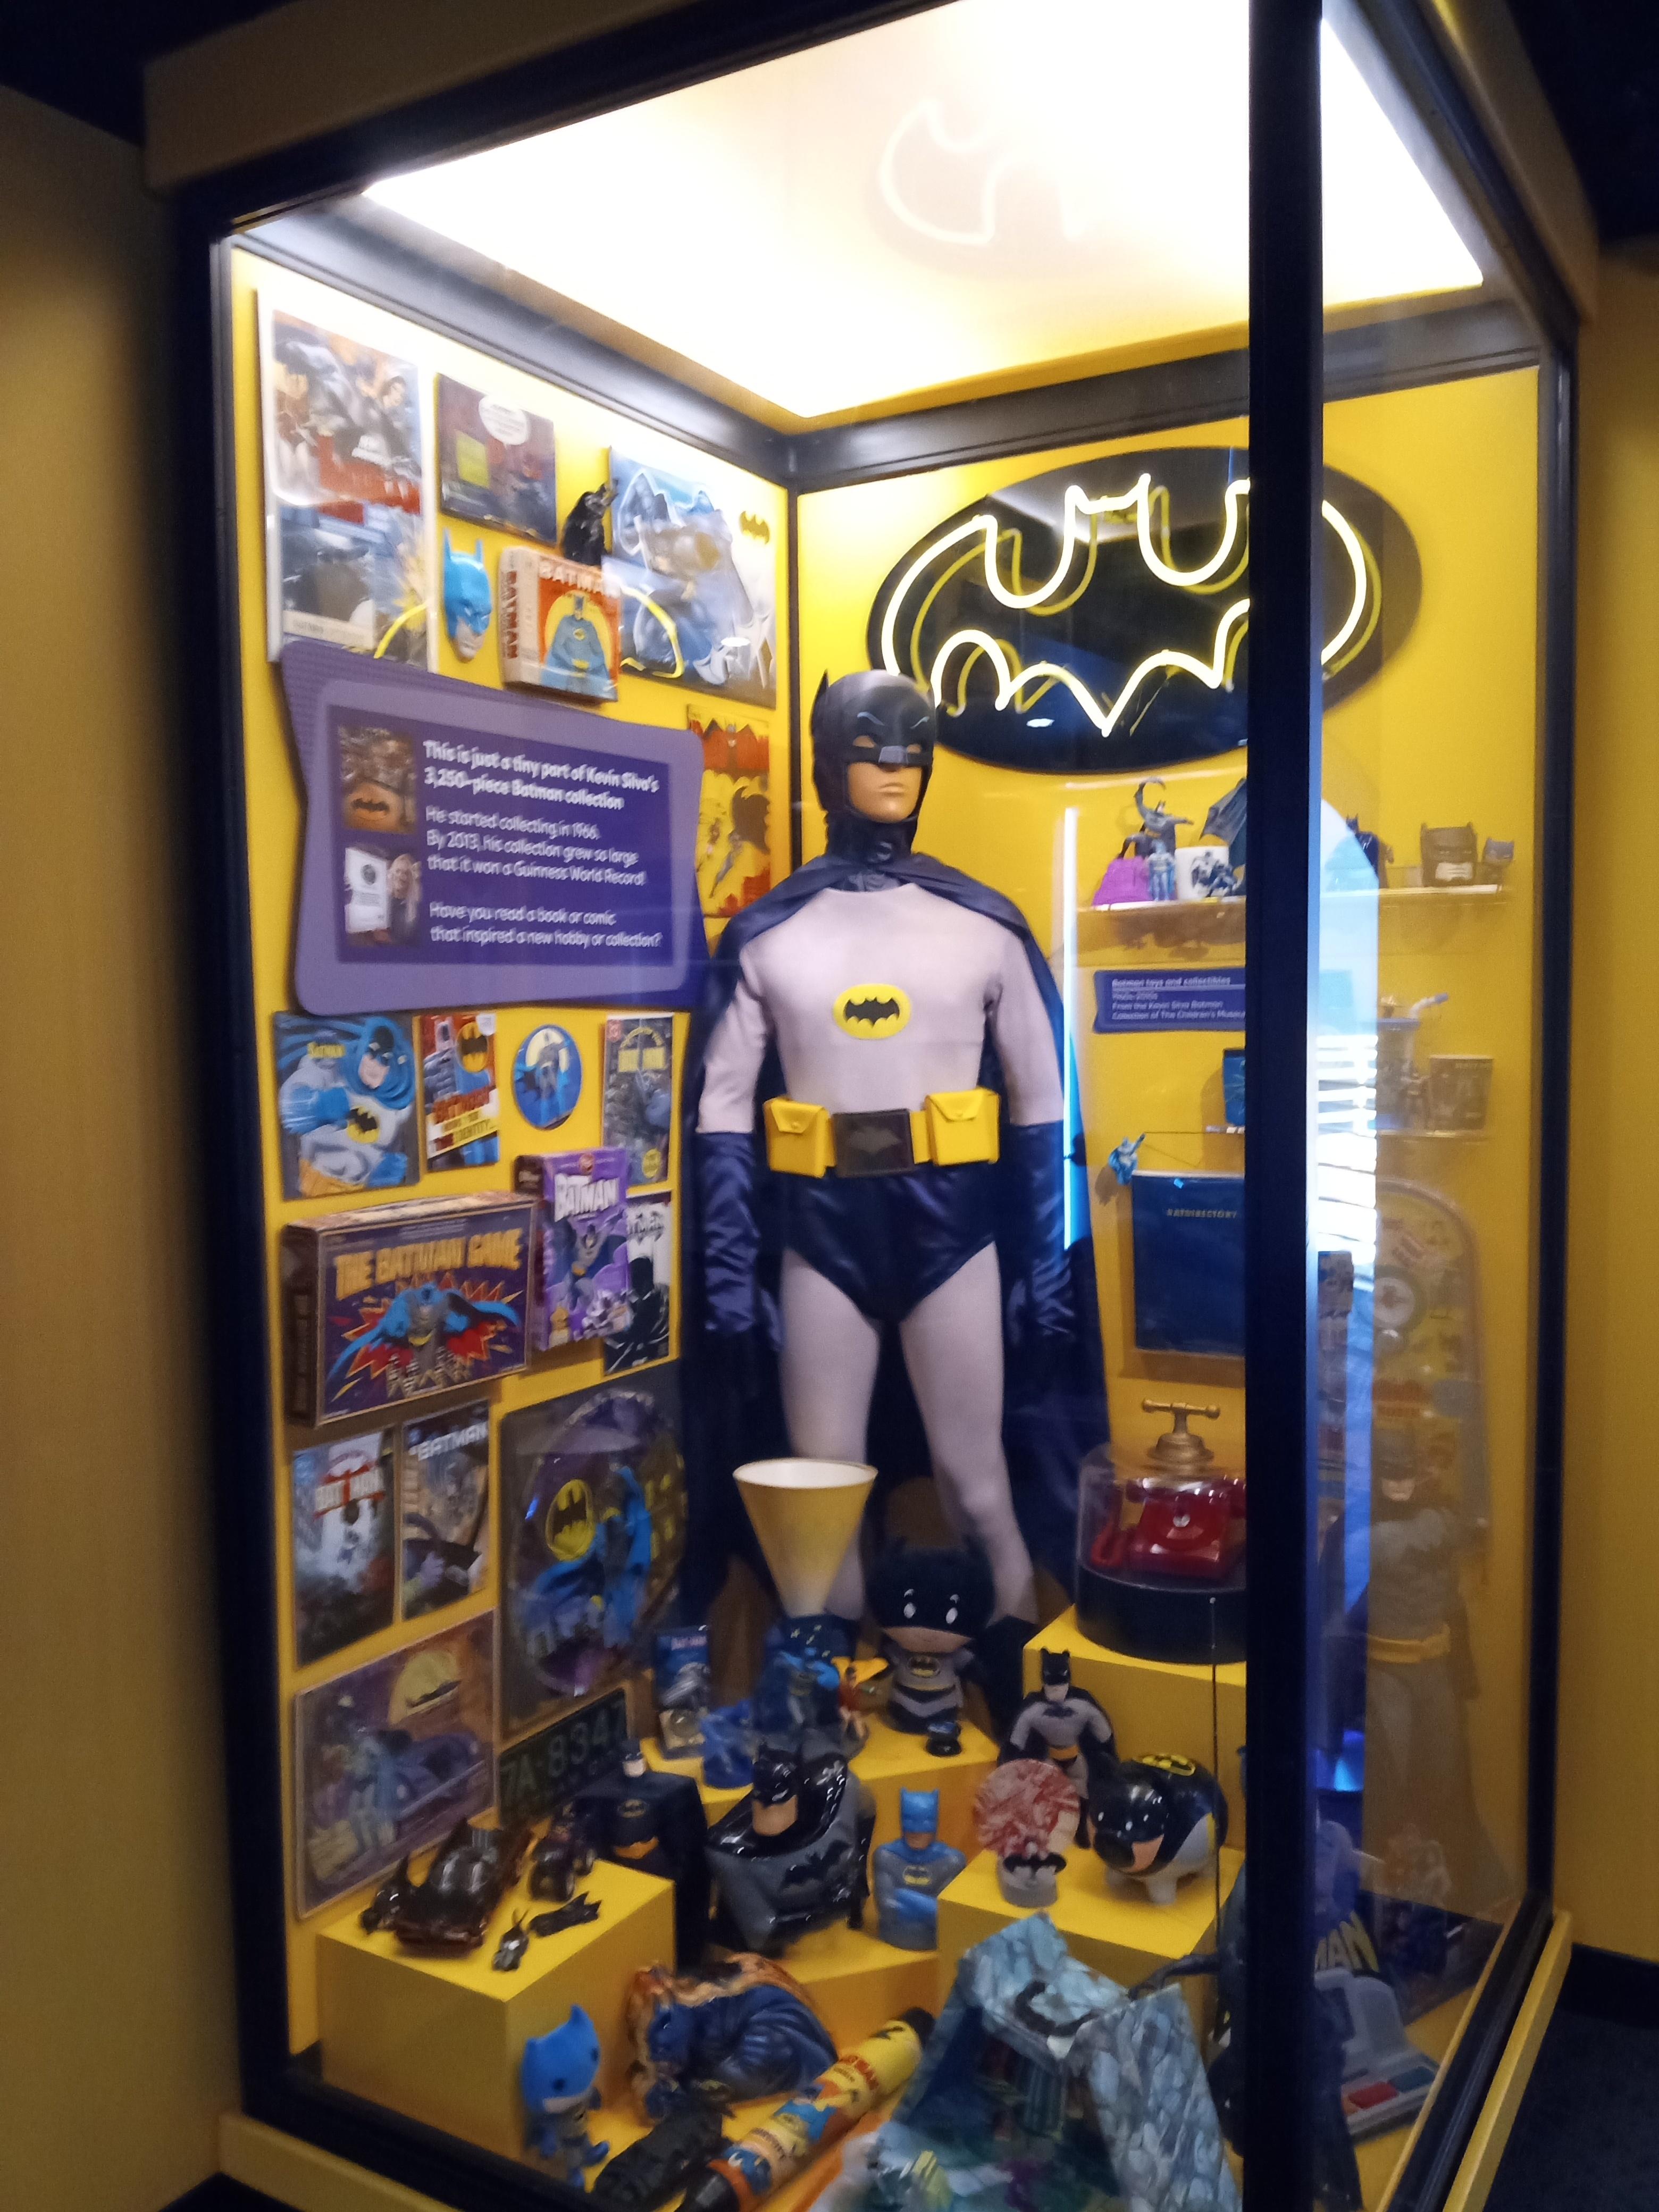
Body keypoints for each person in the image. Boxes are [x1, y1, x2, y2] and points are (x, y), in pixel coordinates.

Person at [691, 671, 1090, 1722]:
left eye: (916, 748)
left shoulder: (983, 925)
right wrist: (728, 1279)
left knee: (977, 1481)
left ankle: (1021, 1709)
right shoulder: (770, 932)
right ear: (829, 760)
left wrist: (1047, 1269)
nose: (897, 767)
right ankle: (832, 1717)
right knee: (820, 1491)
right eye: (872, 746)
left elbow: (1044, 1111)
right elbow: (720, 1118)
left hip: (951, 1230)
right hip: (822, 1232)